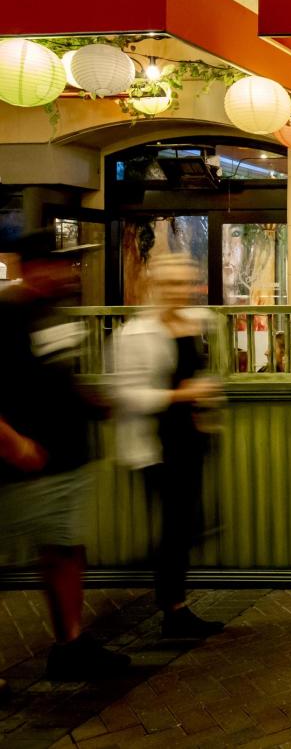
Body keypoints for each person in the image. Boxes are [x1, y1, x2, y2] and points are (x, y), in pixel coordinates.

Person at [0, 230, 128, 680]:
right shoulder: (6, 316)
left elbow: (59, 378)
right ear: (30, 268)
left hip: (65, 460)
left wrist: (92, 400)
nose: (68, 273)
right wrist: (12, 442)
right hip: (21, 467)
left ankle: (70, 645)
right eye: (59, 265)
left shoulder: (55, 315)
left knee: (65, 552)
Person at [113, 253, 226, 640]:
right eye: (173, 284)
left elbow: (202, 373)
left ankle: (174, 602)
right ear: (155, 286)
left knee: (188, 523)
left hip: (190, 439)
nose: (182, 291)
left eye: (187, 283)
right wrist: (179, 396)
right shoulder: (134, 334)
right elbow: (127, 396)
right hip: (156, 446)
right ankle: (173, 610)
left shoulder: (199, 322)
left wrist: (206, 406)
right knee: (178, 527)